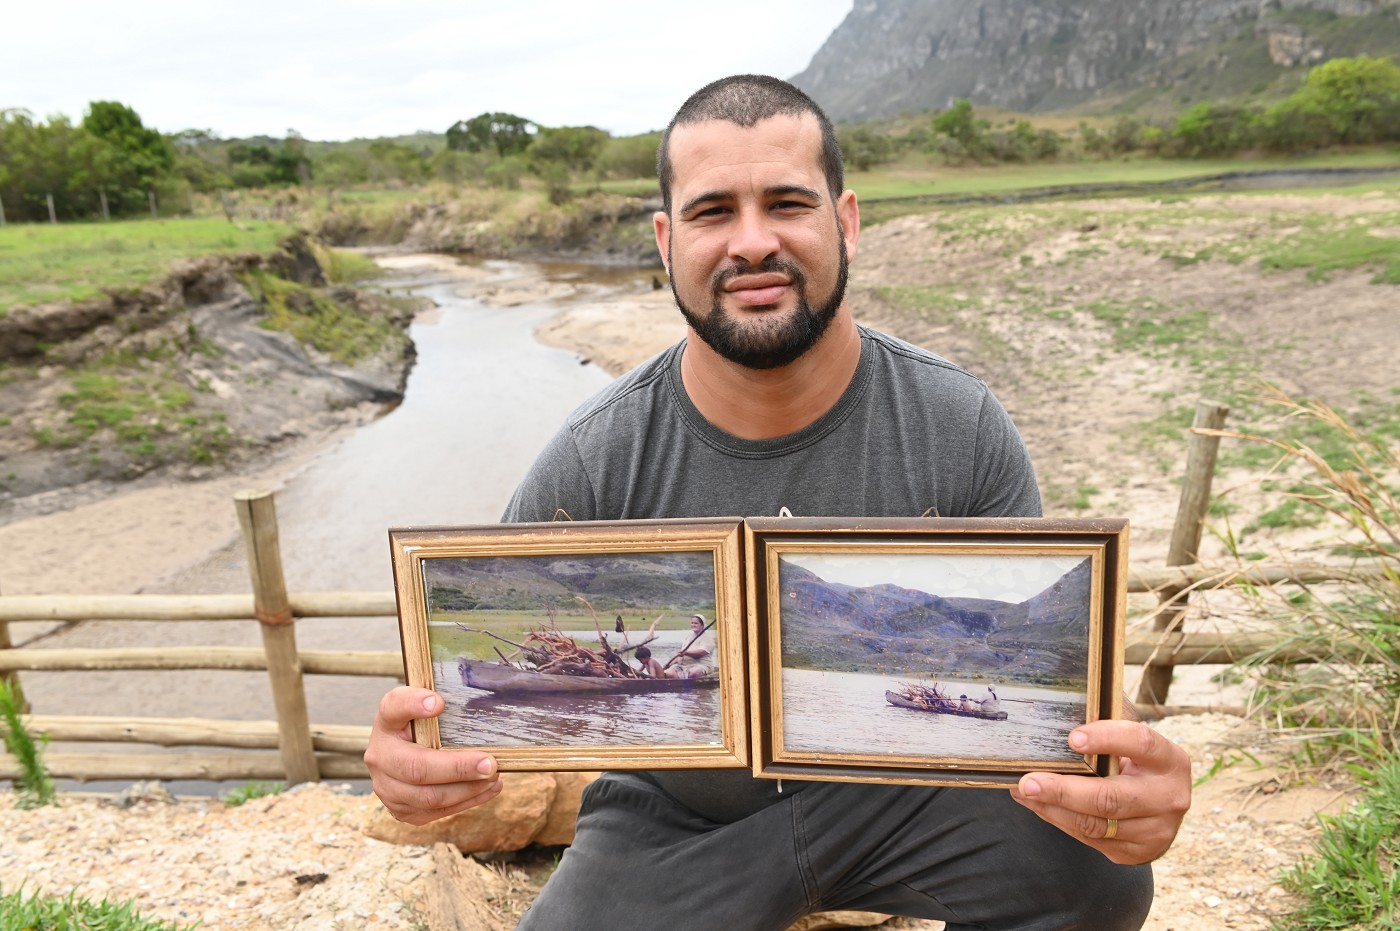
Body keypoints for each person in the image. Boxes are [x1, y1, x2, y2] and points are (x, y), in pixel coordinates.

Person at [366, 74, 1191, 930]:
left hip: (909, 798)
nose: (752, 242)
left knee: (1094, 877)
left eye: (788, 202)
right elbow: (450, 695)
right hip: (674, 824)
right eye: (714, 210)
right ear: (665, 239)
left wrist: (1127, 782)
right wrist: (412, 759)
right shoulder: (595, 457)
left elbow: (1076, 696)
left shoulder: (957, 423)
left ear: (847, 221)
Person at [664, 614, 716, 679]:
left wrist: (686, 652)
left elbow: (701, 653)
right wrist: (669, 664)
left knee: (693, 673)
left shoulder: (707, 638)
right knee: (668, 673)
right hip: (683, 666)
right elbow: (680, 655)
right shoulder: (688, 637)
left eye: (696, 623)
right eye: (692, 623)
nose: (693, 625)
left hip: (701, 665)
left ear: (702, 625)